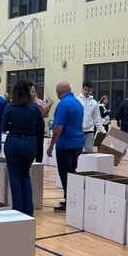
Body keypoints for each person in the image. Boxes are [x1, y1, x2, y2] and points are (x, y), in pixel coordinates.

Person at [1, 79, 45, 216]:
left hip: (13, 141)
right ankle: (28, 210)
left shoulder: (10, 107)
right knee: (25, 175)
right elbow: (41, 127)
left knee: (15, 176)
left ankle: (18, 210)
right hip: (30, 142)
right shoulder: (34, 107)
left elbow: (3, 127)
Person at [47, 80, 84, 212]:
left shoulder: (63, 104)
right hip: (78, 143)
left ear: (59, 92)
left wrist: (51, 145)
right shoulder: (78, 103)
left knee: (65, 174)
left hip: (66, 144)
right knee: (72, 172)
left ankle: (69, 201)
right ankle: (73, 199)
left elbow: (58, 127)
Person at [78, 80, 106, 153]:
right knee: (78, 152)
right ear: (82, 89)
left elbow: (97, 118)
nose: (87, 92)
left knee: (89, 152)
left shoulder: (94, 102)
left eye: (89, 90)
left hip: (90, 131)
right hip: (78, 131)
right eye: (85, 89)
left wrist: (103, 131)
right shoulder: (77, 100)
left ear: (91, 90)